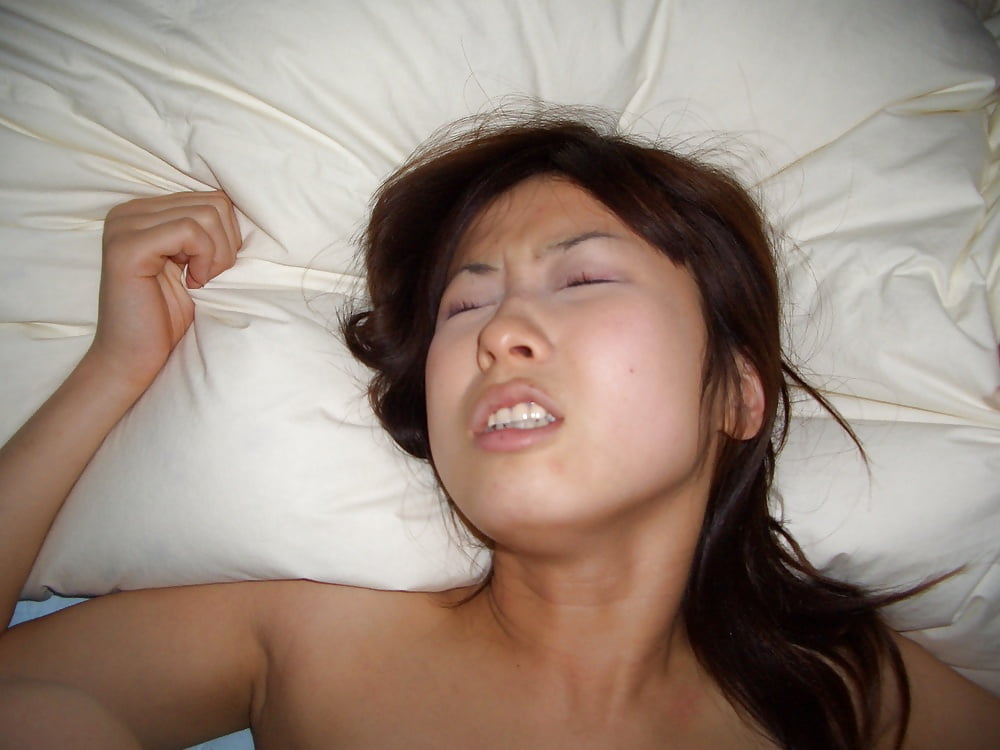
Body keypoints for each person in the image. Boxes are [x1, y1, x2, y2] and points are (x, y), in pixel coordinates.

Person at [0, 112, 997, 749]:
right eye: (465, 305)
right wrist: (114, 368)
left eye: (585, 279)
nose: (500, 330)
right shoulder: (309, 639)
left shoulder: (846, 689)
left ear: (738, 393)